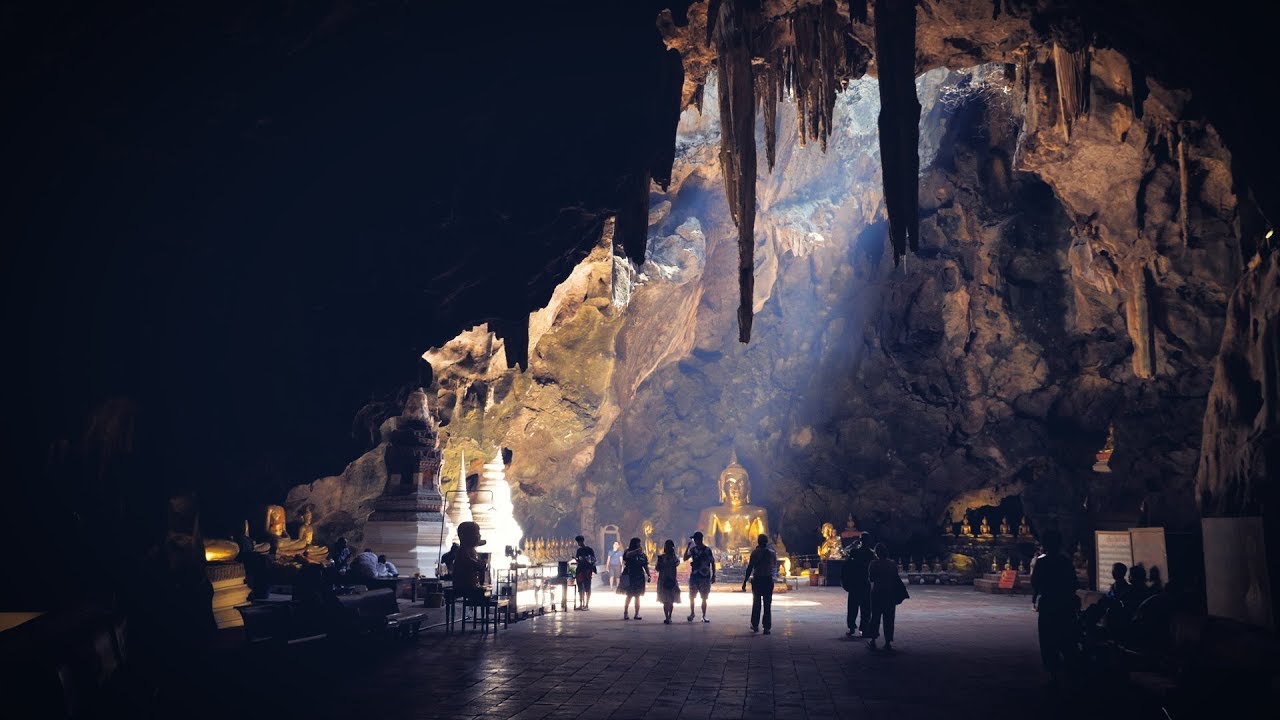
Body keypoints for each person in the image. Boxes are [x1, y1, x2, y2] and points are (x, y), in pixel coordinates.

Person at [1030, 530, 1080, 686]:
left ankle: (1053, 671)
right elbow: (1073, 583)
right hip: (1064, 604)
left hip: (1049, 603)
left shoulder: (1042, 562)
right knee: (1065, 637)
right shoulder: (1065, 561)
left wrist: (1036, 597)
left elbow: (1035, 583)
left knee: (1048, 639)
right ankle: (1069, 671)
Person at [866, 542, 903, 650]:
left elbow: (871, 578)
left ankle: (873, 640)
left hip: (877, 592)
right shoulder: (892, 564)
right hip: (889, 593)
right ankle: (887, 642)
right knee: (889, 618)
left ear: (876, 553)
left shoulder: (873, 564)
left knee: (875, 617)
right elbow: (896, 578)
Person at [841, 531, 874, 638]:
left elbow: (845, 558)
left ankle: (852, 628)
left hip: (855, 584)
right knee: (866, 608)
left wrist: (853, 545)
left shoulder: (855, 552)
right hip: (865, 583)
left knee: (853, 607)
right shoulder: (871, 553)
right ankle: (864, 629)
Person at [742, 533, 777, 634]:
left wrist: (745, 581)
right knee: (767, 604)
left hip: (757, 580)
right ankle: (766, 627)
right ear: (767, 542)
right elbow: (774, 566)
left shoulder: (755, 553)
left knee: (756, 604)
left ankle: (755, 625)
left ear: (758, 542)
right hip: (768, 580)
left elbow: (750, 568)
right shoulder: (772, 553)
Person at [684, 531, 717, 622]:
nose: (694, 541)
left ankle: (703, 615)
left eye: (695, 539)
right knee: (692, 596)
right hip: (695, 576)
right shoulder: (693, 550)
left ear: (699, 539)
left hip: (704, 576)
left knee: (704, 597)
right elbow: (685, 558)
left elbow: (712, 562)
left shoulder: (707, 550)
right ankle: (692, 613)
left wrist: (714, 575)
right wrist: (687, 547)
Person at [619, 537, 651, 620]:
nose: (639, 545)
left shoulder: (642, 555)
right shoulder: (628, 551)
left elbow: (645, 565)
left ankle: (637, 613)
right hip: (629, 575)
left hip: (639, 576)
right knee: (629, 595)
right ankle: (625, 612)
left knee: (637, 596)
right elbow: (626, 556)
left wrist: (649, 575)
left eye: (639, 543)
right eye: (638, 543)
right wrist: (636, 551)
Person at [655, 539, 682, 623]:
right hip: (664, 580)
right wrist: (660, 562)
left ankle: (669, 616)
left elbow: (677, 563)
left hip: (671, 580)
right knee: (666, 600)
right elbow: (657, 568)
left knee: (670, 600)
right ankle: (667, 617)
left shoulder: (674, 557)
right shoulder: (661, 557)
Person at [574, 535, 597, 610]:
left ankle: (585, 604)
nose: (578, 543)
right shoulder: (583, 550)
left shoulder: (586, 550)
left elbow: (592, 559)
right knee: (583, 587)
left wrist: (582, 559)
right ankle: (583, 604)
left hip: (585, 570)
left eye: (578, 542)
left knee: (585, 587)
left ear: (581, 541)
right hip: (584, 570)